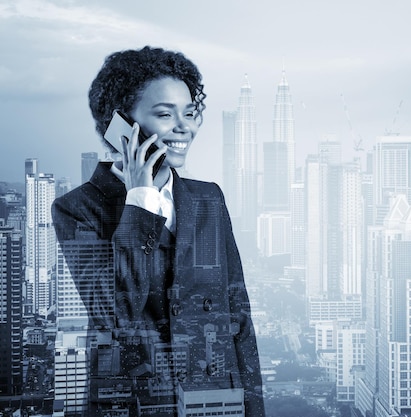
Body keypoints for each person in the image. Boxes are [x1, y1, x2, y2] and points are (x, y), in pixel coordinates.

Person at [52, 46, 265, 417]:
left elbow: (239, 317)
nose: (185, 127)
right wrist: (140, 200)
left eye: (190, 113)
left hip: (216, 399)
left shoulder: (207, 198)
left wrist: (254, 409)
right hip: (138, 404)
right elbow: (113, 313)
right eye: (165, 114)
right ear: (121, 124)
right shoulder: (79, 208)